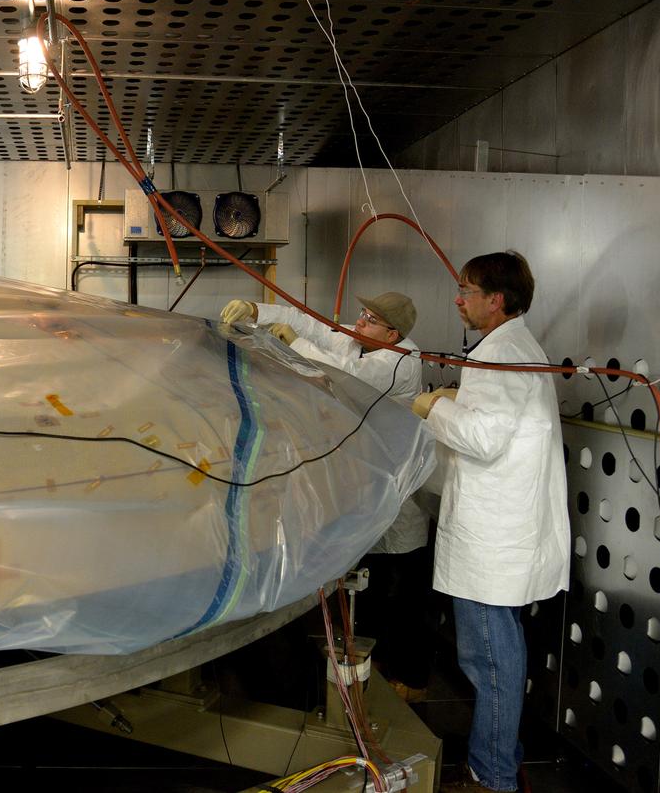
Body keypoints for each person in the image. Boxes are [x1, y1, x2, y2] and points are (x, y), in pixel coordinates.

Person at [219, 292, 435, 699]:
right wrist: (257, 310)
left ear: (392, 333)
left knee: (400, 593)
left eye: (370, 319)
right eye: (363, 313)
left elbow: (346, 373)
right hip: (370, 482)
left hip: (398, 488)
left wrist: (294, 345)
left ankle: (411, 677)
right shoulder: (364, 341)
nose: (359, 322)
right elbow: (312, 322)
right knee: (372, 588)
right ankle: (374, 673)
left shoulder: (399, 360)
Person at [410, 251, 569, 792]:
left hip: (493, 540)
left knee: (489, 663)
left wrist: (436, 408)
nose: (459, 298)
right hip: (500, 533)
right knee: (494, 655)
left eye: (467, 290)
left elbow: (483, 438)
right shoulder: (509, 347)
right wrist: (457, 400)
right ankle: (503, 757)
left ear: (495, 300)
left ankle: (492, 777)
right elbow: (496, 425)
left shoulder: (502, 353)